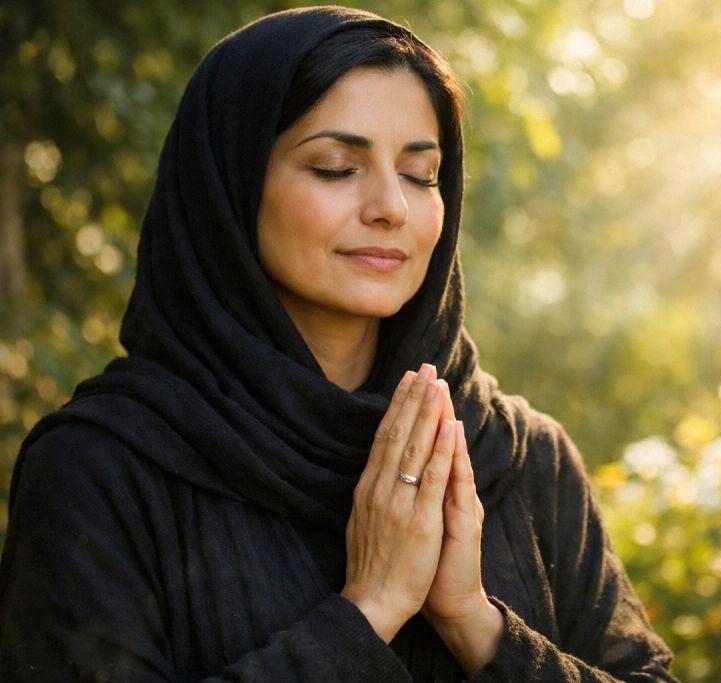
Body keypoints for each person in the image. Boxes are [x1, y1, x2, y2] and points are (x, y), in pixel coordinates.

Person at [0, 6, 677, 682]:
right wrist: (367, 612)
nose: (392, 206)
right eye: (334, 166)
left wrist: (479, 624)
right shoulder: (101, 469)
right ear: (230, 188)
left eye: (420, 174)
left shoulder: (520, 455)